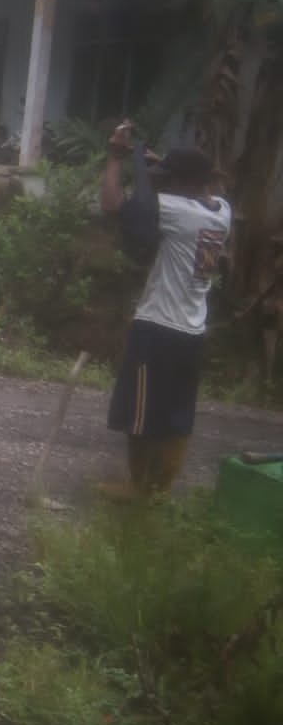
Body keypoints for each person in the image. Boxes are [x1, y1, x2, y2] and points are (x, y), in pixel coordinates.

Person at [101, 123, 232, 494]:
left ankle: (139, 488)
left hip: (158, 328)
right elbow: (197, 187)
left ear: (177, 181)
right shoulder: (221, 210)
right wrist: (161, 165)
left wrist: (115, 156)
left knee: (139, 413)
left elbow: (112, 204)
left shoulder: (173, 210)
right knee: (177, 413)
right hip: (192, 329)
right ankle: (162, 489)